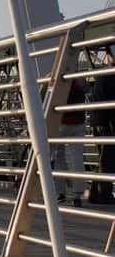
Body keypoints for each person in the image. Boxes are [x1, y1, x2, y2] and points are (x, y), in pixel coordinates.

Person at [54, 78, 86, 207]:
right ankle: (77, 193)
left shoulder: (59, 85)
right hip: (79, 124)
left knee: (59, 156)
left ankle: (60, 192)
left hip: (61, 124)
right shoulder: (79, 84)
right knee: (77, 158)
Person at [89, 47, 115, 204]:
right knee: (107, 159)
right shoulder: (111, 76)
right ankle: (103, 194)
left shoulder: (103, 76)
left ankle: (97, 193)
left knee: (104, 159)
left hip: (98, 120)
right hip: (105, 122)